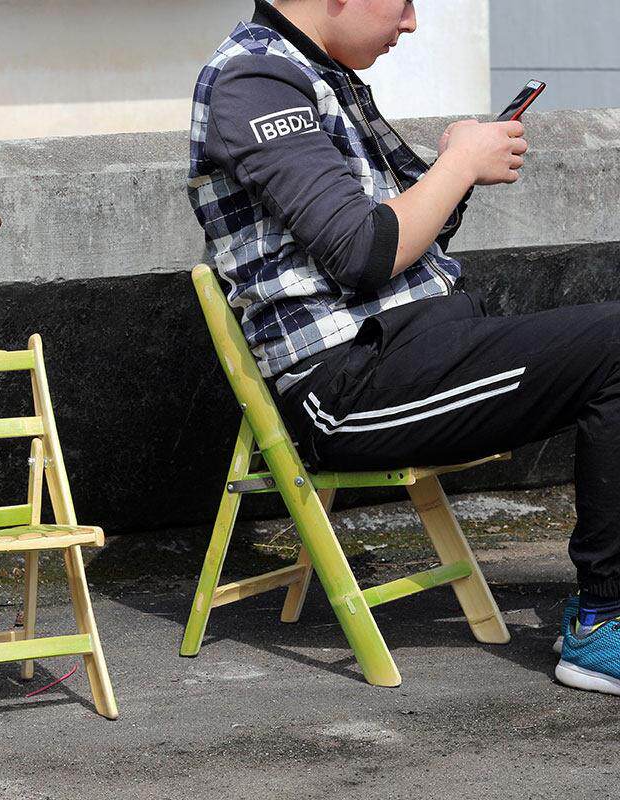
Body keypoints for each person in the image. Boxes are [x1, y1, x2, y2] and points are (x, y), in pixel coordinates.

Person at [187, 0, 620, 696]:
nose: (411, 22)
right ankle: (602, 621)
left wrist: (457, 167)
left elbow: (406, 238)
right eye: (404, 0)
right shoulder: (255, 81)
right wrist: (458, 164)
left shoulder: (320, 72)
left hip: (416, 346)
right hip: (348, 385)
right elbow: (363, 253)